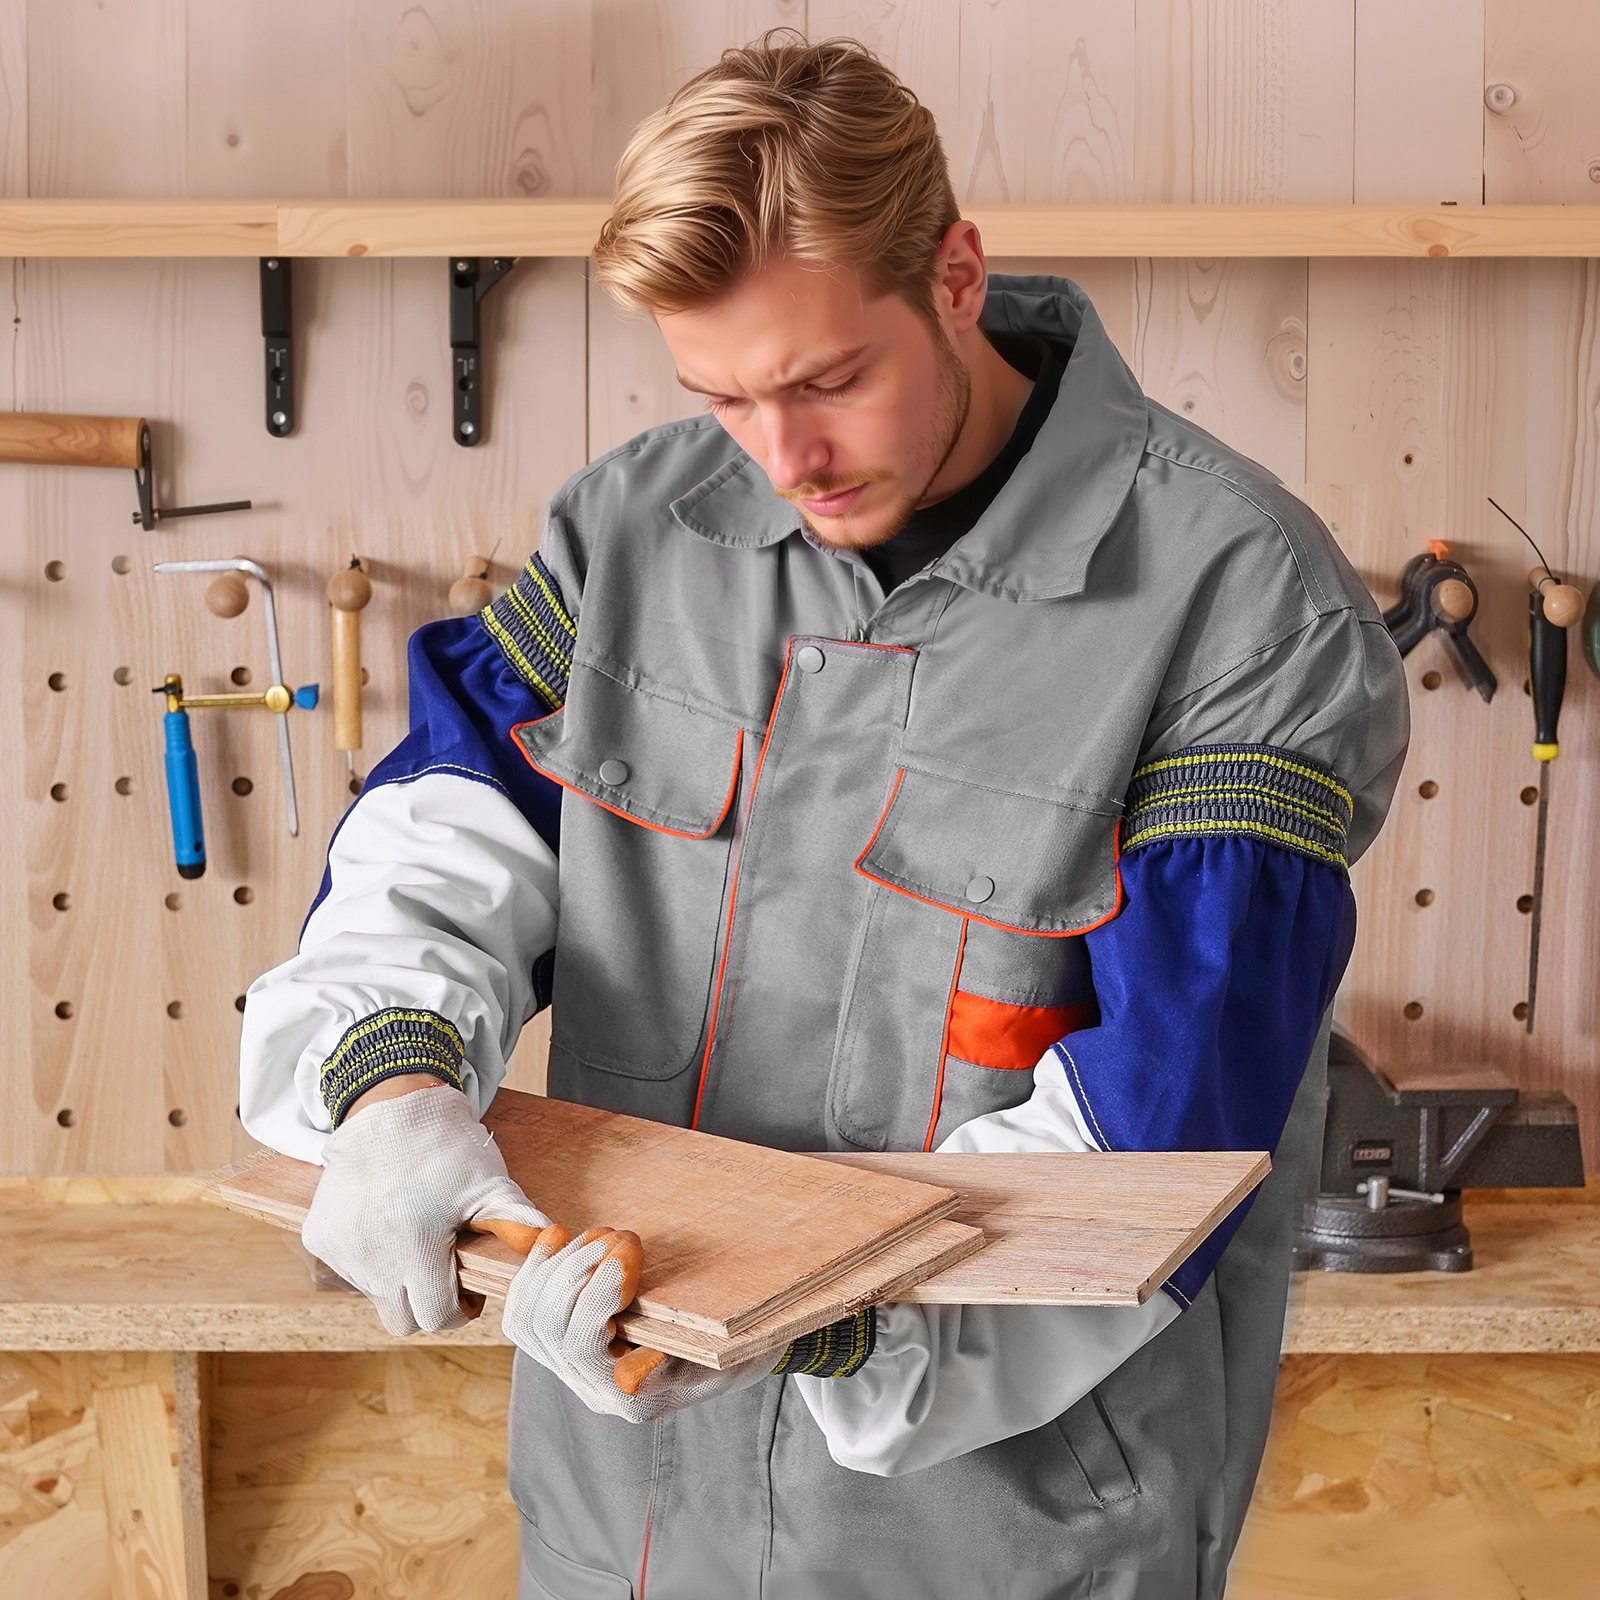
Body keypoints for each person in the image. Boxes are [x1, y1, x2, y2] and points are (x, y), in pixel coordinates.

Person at [240, 31, 1409, 1600]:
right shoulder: (633, 534)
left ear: (956, 277)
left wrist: (823, 1313)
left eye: (825, 382)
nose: (784, 459)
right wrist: (390, 1084)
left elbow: (1162, 1133)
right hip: (627, 1521)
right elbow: (443, 841)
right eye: (721, 396)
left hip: (1000, 1542)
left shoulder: (1238, 602)